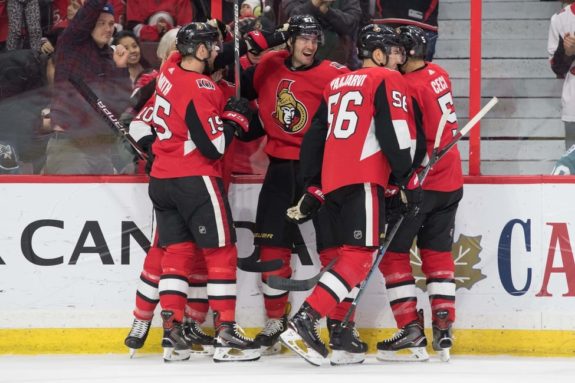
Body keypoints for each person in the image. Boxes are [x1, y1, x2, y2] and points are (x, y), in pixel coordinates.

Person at [279, 23, 421, 366]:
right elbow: (396, 133)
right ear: (376, 53)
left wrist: (313, 184)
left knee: (343, 258)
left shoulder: (337, 83)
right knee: (359, 257)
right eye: (392, 50)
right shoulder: (388, 80)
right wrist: (405, 179)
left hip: (332, 182)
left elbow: (314, 137)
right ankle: (305, 321)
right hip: (363, 178)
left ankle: (341, 338)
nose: (398, 58)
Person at [140, 22, 260, 362]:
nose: (217, 52)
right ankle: (226, 334)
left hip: (162, 181)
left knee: (176, 254)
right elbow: (214, 147)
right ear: (202, 51)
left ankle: (172, 335)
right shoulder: (201, 87)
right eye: (212, 46)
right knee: (221, 252)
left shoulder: (169, 69)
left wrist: (221, 35)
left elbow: (182, 49)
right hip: (195, 179)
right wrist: (234, 119)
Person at [238, 14, 351, 356]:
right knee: (272, 249)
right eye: (304, 39)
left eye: (315, 39)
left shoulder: (334, 73)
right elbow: (238, 76)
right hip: (278, 170)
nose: (310, 45)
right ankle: (275, 322)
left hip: (319, 170)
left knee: (333, 248)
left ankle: (339, 323)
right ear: (289, 41)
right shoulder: (270, 64)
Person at [124, 28, 215, 358]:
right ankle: (144, 320)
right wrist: (150, 148)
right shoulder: (173, 81)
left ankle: (188, 326)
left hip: (210, 181)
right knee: (165, 253)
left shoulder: (204, 82)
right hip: (181, 179)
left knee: (200, 258)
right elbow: (138, 123)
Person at [375, 25, 463, 363]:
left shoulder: (406, 86)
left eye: (399, 50)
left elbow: (409, 141)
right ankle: (443, 325)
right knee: (437, 252)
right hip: (451, 181)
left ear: (409, 53)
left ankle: (410, 328)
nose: (395, 55)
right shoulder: (439, 73)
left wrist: (398, 181)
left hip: (422, 184)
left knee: (395, 253)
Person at [45, 0, 131, 175]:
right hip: (69, 146)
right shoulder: (71, 42)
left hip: (100, 149)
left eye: (111, 24)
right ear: (89, 23)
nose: (108, 29)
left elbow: (117, 107)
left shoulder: (110, 57)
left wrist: (120, 68)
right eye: (101, 23)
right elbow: (88, 12)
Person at [282, 0, 362, 68]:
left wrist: (327, 11)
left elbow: (351, 24)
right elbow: (293, 17)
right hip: (299, 63)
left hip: (337, 64)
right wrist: (314, 3)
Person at [547, 0, 575, 150]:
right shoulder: (559, 19)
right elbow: (557, 69)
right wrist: (568, 53)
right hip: (573, 105)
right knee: (572, 162)